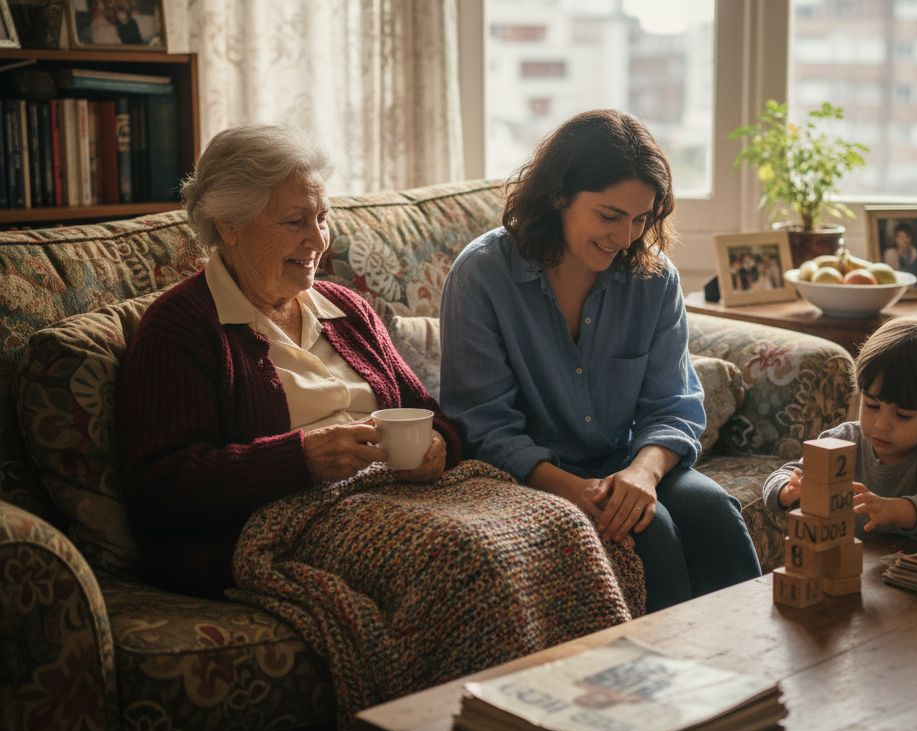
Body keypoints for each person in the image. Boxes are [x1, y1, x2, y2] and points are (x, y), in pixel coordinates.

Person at [118, 124, 461, 597]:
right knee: (459, 555)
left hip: (400, 502)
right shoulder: (182, 328)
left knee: (551, 524)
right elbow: (159, 486)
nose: (318, 241)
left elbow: (431, 416)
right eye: (296, 221)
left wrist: (437, 447)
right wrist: (301, 458)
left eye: (322, 217)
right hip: (286, 528)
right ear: (229, 225)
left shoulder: (346, 309)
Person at [440, 109, 762, 612]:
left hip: (628, 461)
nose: (626, 237)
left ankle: (752, 658)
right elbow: (482, 422)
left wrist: (644, 473)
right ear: (559, 195)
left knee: (713, 510)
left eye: (641, 219)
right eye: (610, 216)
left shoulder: (654, 280)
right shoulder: (482, 276)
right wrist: (574, 489)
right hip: (531, 473)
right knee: (650, 530)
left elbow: (673, 403)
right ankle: (666, 663)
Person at [762, 317, 917, 545]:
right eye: (872, 405)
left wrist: (895, 509)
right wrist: (789, 489)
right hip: (845, 560)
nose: (881, 425)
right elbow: (780, 477)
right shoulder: (842, 440)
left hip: (916, 564)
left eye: (903, 415)